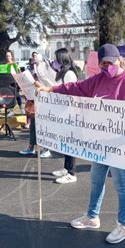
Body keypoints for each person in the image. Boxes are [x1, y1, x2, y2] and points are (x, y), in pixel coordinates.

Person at [37, 43, 125, 244]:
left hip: (121, 144)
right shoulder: (98, 79)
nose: (106, 66)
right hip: (99, 142)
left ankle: (123, 225)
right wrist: (50, 89)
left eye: (109, 62)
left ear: (119, 60)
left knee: (121, 184)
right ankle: (92, 217)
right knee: (96, 179)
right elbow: (75, 87)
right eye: (102, 63)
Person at [45, 48, 80, 184]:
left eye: (56, 59)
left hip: (69, 113)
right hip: (61, 112)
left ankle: (72, 173)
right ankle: (66, 168)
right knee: (65, 142)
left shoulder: (69, 74)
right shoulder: (61, 73)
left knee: (70, 142)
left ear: (62, 60)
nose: (54, 62)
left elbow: (71, 94)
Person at [6, 50, 24, 114]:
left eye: (9, 56)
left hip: (15, 83)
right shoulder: (4, 66)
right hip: (7, 83)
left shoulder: (15, 65)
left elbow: (19, 73)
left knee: (17, 96)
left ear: (11, 57)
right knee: (9, 97)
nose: (7, 57)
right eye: (7, 56)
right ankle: (10, 111)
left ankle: (21, 108)